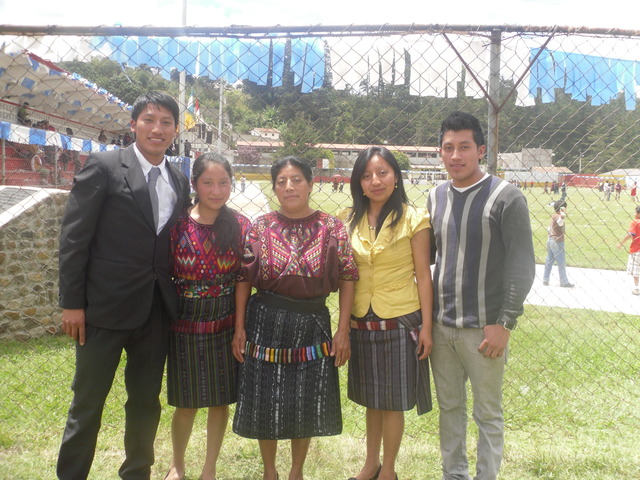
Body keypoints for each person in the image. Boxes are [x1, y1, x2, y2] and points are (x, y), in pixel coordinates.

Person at [57, 91, 191, 480]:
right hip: (103, 309)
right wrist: (72, 304)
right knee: (87, 403)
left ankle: (137, 472)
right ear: (133, 125)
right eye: (149, 119)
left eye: (166, 122)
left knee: (146, 402)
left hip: (155, 310)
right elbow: (74, 238)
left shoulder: (179, 180)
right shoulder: (105, 166)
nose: (157, 129)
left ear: (175, 130)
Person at [232, 156, 358, 480]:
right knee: (265, 399)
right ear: (275, 188)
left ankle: (296, 472)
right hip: (265, 321)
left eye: (297, 180)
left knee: (305, 401)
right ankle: (270, 472)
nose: (289, 187)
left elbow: (348, 276)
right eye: (282, 181)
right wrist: (239, 327)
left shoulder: (332, 227)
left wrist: (343, 330)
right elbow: (243, 277)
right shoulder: (260, 226)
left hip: (312, 322)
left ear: (310, 184)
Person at [427, 111, 535, 480]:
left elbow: (522, 265)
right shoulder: (435, 197)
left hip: (484, 330)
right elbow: (430, 257)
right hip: (442, 326)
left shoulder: (506, 197)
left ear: (481, 150)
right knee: (449, 409)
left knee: (487, 413)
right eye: (448, 148)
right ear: (440, 152)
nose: (456, 156)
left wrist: (505, 323)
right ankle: (453, 474)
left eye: (465, 147)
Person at [340, 146, 433, 480]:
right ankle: (370, 465)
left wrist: (427, 327)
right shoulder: (348, 218)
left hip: (400, 320)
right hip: (361, 321)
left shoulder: (414, 218)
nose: (375, 181)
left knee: (392, 401)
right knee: (372, 399)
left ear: (396, 177)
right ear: (358, 182)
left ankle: (388, 469)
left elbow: (423, 276)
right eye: (367, 176)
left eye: (382, 173)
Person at [164, 153, 251, 480]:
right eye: (208, 183)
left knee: (219, 401)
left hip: (225, 322)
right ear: (195, 184)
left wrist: (239, 327)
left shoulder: (240, 226)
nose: (216, 190)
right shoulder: (176, 225)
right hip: (184, 322)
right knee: (186, 402)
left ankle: (209, 468)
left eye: (223, 183)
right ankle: (177, 465)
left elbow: (243, 279)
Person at [542, 200, 574, 288]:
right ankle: (564, 282)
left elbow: (549, 228)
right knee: (561, 262)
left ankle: (545, 279)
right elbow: (560, 222)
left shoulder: (553, 216)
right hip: (557, 242)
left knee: (549, 261)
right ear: (561, 209)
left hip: (550, 240)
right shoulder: (558, 217)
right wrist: (562, 215)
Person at [617, 205, 640, 295]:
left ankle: (636, 288)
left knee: (636, 269)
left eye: (635, 212)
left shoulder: (635, 222)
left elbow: (631, 234)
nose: (634, 214)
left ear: (639, 214)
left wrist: (621, 243)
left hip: (636, 249)